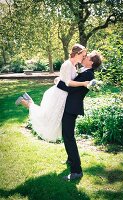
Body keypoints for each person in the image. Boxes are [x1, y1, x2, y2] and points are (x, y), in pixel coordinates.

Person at [15, 43, 89, 142]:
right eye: (83, 55)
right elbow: (68, 82)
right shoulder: (67, 64)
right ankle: (25, 101)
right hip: (58, 95)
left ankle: (26, 100)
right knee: (46, 117)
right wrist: (83, 83)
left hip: (63, 95)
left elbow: (63, 79)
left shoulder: (73, 65)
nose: (84, 57)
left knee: (50, 117)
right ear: (77, 54)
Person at [56, 50, 102, 180]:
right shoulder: (86, 72)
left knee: (69, 137)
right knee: (67, 135)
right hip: (71, 106)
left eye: (87, 56)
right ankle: (71, 160)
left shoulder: (88, 74)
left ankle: (77, 171)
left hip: (71, 108)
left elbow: (70, 87)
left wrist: (58, 81)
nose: (85, 57)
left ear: (91, 62)